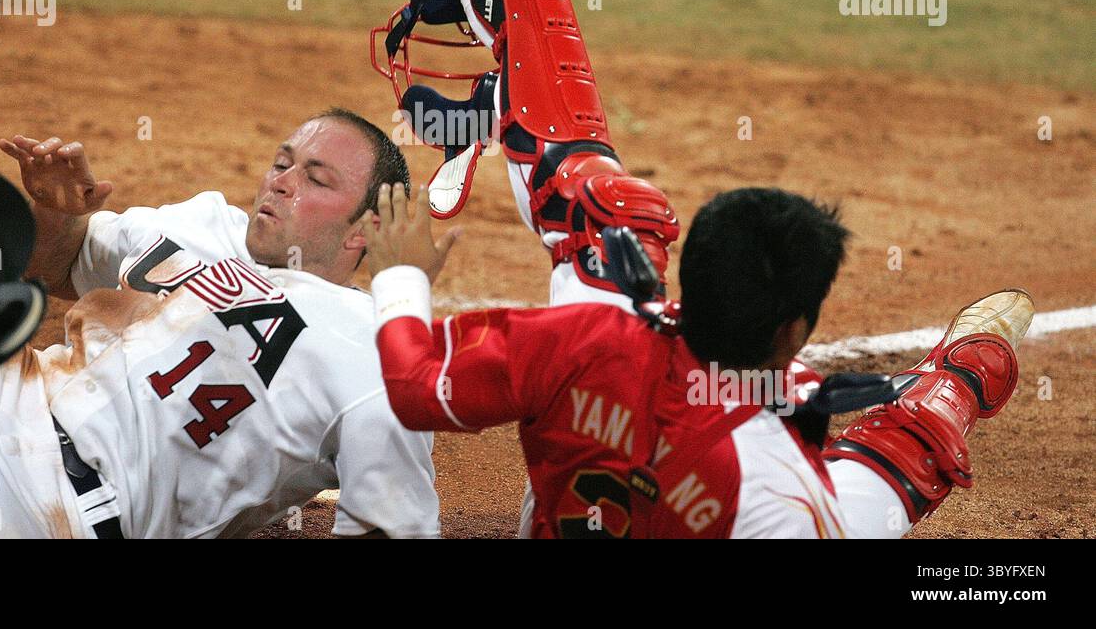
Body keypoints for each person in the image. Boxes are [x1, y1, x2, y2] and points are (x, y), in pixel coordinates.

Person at [0, 109, 440, 538]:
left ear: (369, 228)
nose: (280, 182)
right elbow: (60, 260)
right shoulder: (206, 227)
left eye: (315, 178)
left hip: (38, 516)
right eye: (282, 162)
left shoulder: (377, 355)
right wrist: (58, 218)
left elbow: (392, 521)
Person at [361, 182, 1033, 538]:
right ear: (794, 328)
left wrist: (398, 276)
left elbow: (416, 388)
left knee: (609, 214)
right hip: (764, 491)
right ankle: (953, 387)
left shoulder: (580, 340)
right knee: (884, 470)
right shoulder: (772, 486)